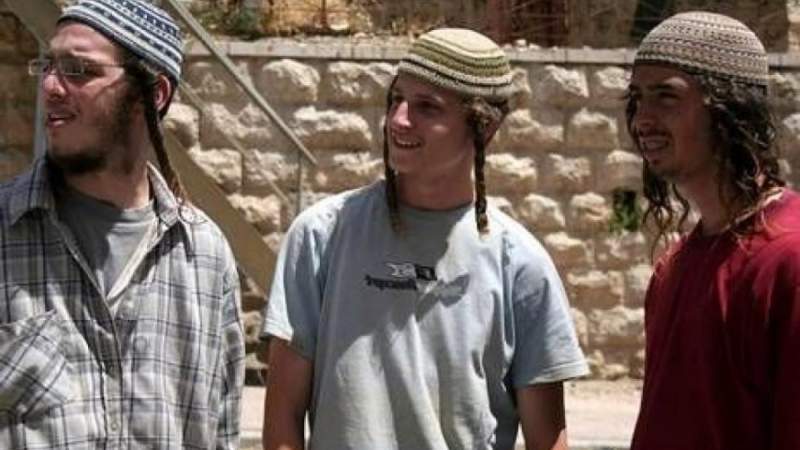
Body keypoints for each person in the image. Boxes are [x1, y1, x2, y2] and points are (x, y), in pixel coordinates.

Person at [261, 28, 588, 450]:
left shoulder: (521, 264)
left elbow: (548, 439)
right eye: (396, 99)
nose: (398, 120)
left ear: (485, 127)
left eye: (427, 107)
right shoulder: (320, 235)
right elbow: (283, 415)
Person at [0, 0, 245, 448]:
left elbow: (220, 434)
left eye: (78, 70)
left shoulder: (205, 258)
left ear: (154, 95)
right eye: (49, 66)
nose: (51, 86)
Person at [626, 11, 800, 450]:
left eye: (666, 97)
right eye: (637, 98)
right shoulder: (674, 267)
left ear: (729, 108)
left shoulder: (789, 260)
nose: (642, 119)